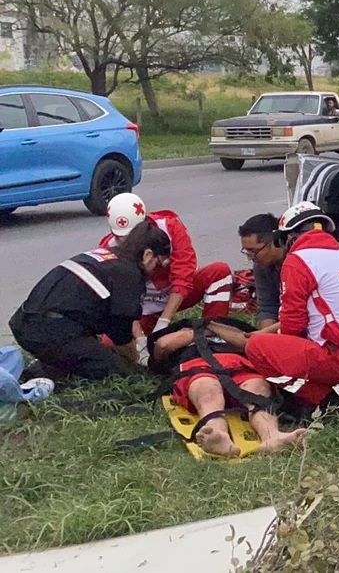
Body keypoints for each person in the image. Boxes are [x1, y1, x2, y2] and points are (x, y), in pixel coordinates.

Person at [207, 202, 339, 407]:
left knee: (257, 348)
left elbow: (293, 327)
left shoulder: (298, 261)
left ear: (286, 237)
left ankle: (325, 400)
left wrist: (269, 346)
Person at [10, 221, 171, 380]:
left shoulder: (106, 256)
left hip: (25, 321)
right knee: (117, 373)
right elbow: (121, 336)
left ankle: (47, 367)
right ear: (148, 255)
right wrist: (140, 363)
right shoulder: (129, 274)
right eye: (158, 262)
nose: (156, 269)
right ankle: (44, 371)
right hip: (49, 330)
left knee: (90, 353)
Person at [149, 318, 305, 457]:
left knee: (257, 388)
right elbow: (163, 346)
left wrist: (214, 327)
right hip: (198, 366)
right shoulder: (181, 335)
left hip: (239, 366)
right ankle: (218, 433)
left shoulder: (234, 335)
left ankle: (272, 436)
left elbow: (246, 341)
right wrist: (197, 329)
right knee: (207, 388)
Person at [99, 193, 233, 337]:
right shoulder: (108, 249)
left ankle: (212, 334)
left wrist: (164, 320)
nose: (128, 242)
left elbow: (183, 275)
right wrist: (139, 339)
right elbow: (123, 298)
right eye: (121, 238)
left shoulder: (169, 227)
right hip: (143, 305)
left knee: (219, 271)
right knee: (111, 340)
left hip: (175, 294)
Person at [238, 213, 287, 329]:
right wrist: (266, 339)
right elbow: (267, 306)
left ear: (276, 242)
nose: (250, 257)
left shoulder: (299, 264)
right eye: (246, 251)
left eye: (253, 251)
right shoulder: (261, 266)